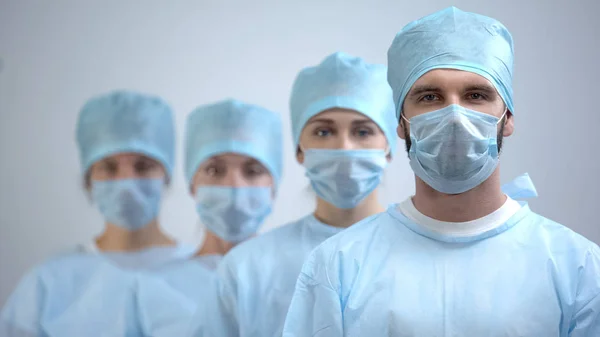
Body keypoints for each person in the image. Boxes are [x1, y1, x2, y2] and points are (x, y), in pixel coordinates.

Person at [282, 7, 600, 336]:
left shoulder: (578, 269)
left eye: (476, 95)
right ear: (401, 124)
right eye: (430, 97)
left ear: (508, 117)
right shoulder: (338, 266)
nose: (454, 116)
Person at [198, 51, 399, 337]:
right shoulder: (247, 268)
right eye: (323, 132)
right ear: (299, 149)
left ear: (389, 146)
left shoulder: (419, 253)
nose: (344, 146)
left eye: (363, 131)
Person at [0, 90, 191, 336]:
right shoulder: (45, 286)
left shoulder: (211, 278)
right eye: (109, 168)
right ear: (88, 180)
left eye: (143, 166)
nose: (126, 183)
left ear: (166, 175)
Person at [137, 98, 284, 336]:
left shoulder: (301, 282)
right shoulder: (152, 289)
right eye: (215, 170)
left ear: (273, 187)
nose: (234, 185)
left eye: (252, 170)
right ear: (192, 184)